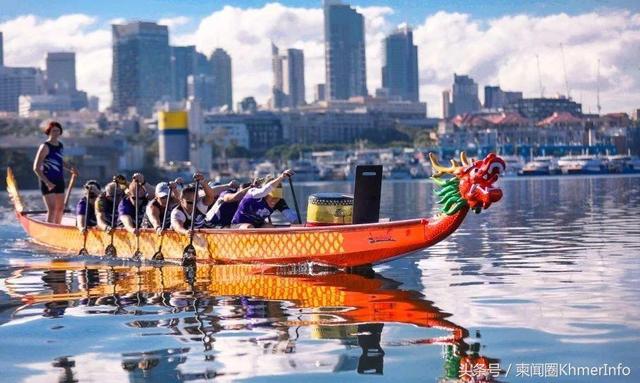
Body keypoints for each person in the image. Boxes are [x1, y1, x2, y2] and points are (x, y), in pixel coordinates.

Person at [32, 121, 79, 223]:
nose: (56, 133)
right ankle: (48, 229)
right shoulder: (44, 146)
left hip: (59, 180)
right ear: (49, 132)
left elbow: (59, 161)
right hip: (47, 181)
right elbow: (36, 167)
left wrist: (71, 168)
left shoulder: (60, 145)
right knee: (52, 210)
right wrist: (47, 182)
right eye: (53, 131)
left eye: (58, 130)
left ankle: (57, 228)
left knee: (60, 209)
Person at [231, 169, 299, 229]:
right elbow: (265, 189)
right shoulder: (254, 193)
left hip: (257, 225)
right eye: (272, 197)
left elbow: (291, 216)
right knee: (249, 227)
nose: (274, 200)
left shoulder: (279, 201)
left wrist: (297, 224)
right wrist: (281, 177)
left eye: (277, 197)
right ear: (266, 195)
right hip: (238, 225)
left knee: (270, 228)